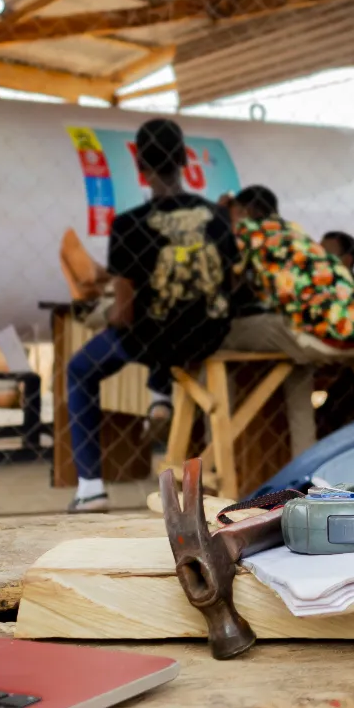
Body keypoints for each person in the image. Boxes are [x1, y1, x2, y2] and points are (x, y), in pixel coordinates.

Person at [65, 118, 235, 512]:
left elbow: (124, 315)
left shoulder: (127, 225)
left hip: (150, 339)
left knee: (80, 368)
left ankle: (91, 487)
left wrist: (108, 315)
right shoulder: (219, 217)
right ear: (183, 159)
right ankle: (160, 395)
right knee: (172, 317)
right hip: (209, 334)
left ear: (140, 166)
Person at [223, 185, 354, 455]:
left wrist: (221, 215)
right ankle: (306, 470)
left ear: (245, 212)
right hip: (351, 336)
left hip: (313, 335)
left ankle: (215, 452)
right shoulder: (294, 233)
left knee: (221, 336)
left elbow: (230, 283)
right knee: (297, 370)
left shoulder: (249, 230)